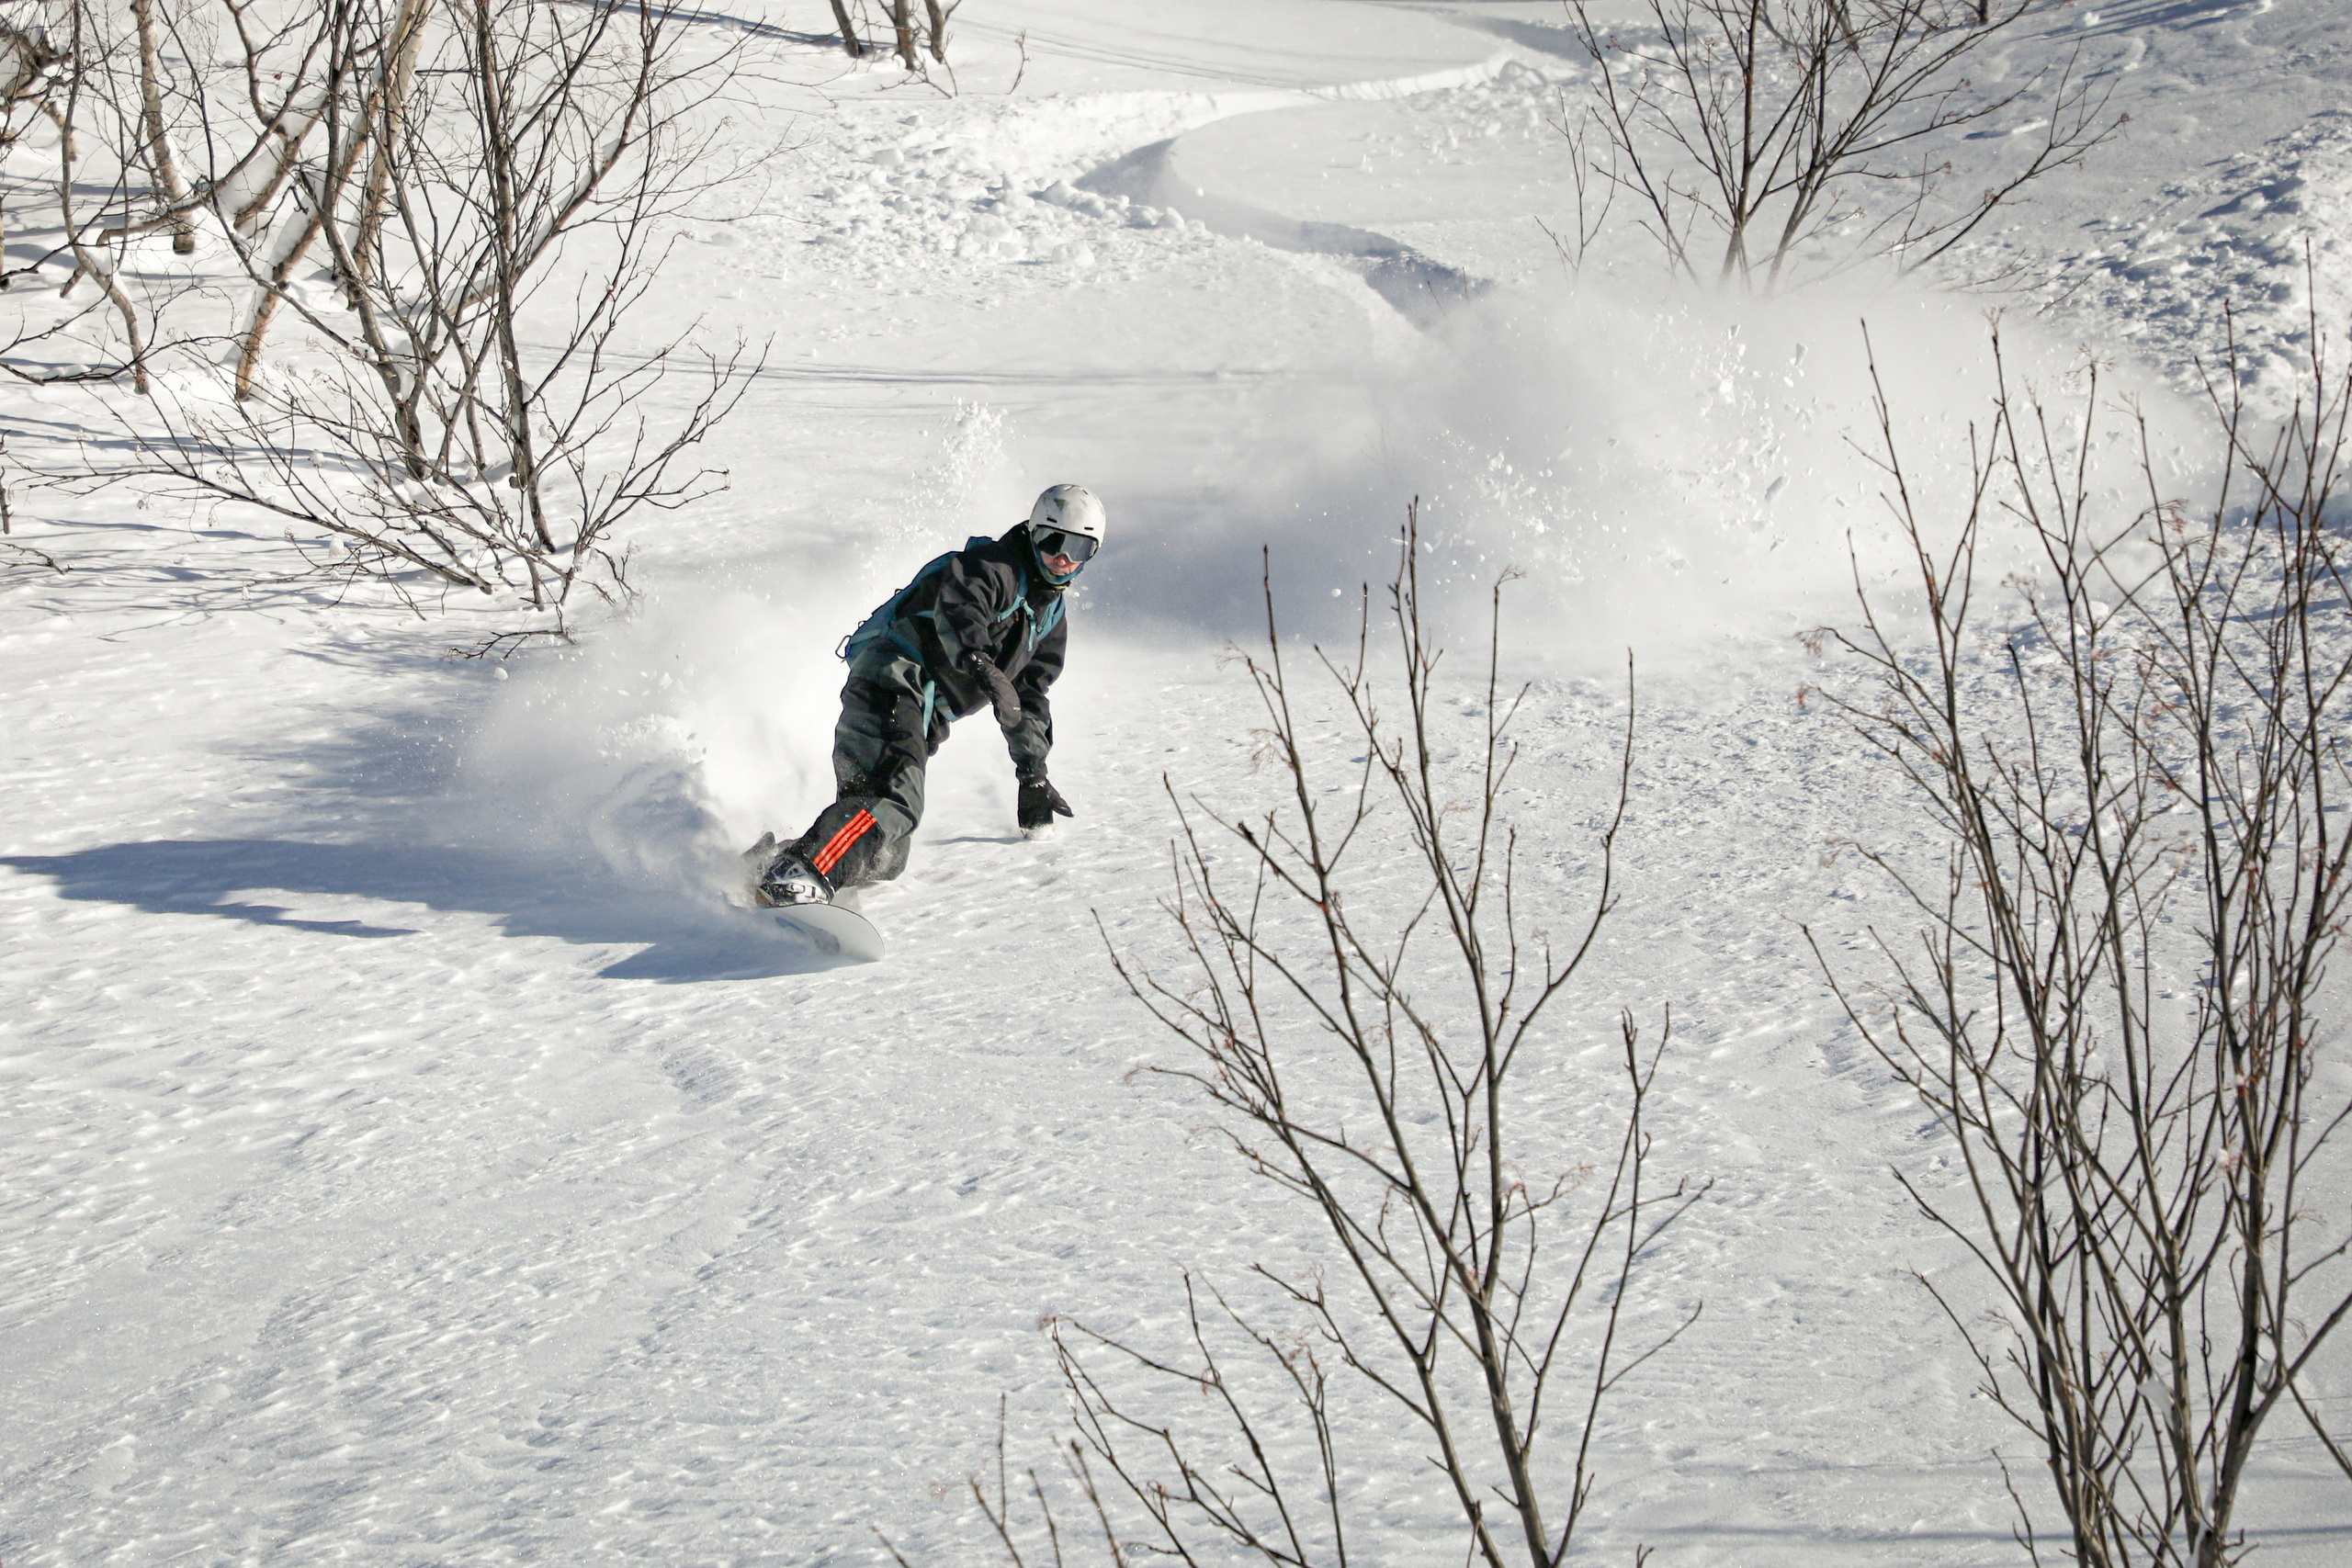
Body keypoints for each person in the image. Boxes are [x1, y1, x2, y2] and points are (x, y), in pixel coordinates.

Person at [747, 484, 1107, 907]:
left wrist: (1033, 774)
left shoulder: (1049, 621)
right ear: (1033, 532)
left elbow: (1029, 698)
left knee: (887, 851)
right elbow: (960, 610)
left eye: (1079, 549)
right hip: (893, 681)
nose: (1063, 558)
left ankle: (774, 863)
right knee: (894, 804)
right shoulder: (992, 569)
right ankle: (802, 873)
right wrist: (977, 662)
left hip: (918, 714)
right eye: (1053, 541)